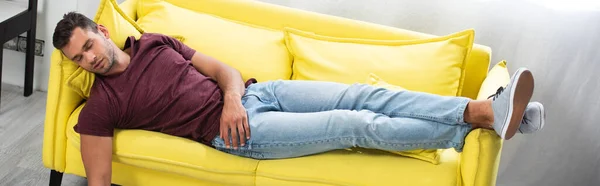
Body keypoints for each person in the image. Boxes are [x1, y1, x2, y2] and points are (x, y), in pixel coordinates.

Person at [53, 12, 545, 185]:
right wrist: (232, 113)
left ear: (102, 31)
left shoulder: (155, 41)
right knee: (355, 123)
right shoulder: (102, 106)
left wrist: (233, 97)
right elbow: (98, 179)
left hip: (255, 94)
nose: (89, 59)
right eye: (78, 59)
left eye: (89, 45)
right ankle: (488, 116)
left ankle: (487, 115)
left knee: (365, 92)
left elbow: (222, 70)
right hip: (239, 133)